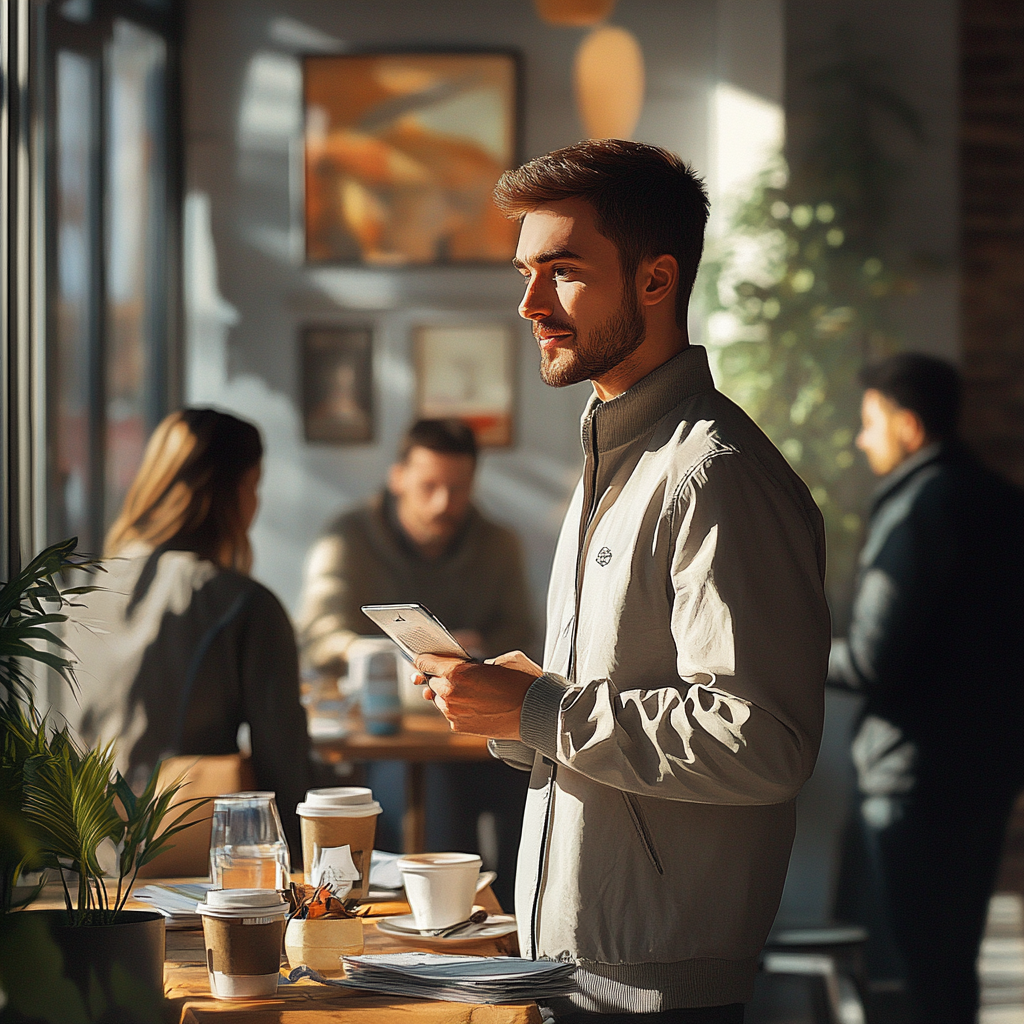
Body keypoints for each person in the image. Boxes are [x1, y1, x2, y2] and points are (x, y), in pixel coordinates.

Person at [413, 140, 831, 1023]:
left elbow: (764, 740)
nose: (530, 304)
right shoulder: (618, 458)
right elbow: (620, 696)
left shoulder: (714, 476)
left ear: (655, 280)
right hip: (575, 968)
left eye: (560, 271)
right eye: (527, 272)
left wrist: (538, 711)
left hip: (653, 988)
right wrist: (519, 703)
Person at [828, 353, 1024, 1024]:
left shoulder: (918, 510)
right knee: (948, 971)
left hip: (910, 781)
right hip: (985, 772)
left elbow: (869, 660)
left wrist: (785, 654)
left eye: (870, 422)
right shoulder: (1000, 500)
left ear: (908, 426)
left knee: (900, 974)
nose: (862, 439)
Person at [295, 417, 534, 904]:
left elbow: (523, 634)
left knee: (533, 781)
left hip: (478, 731)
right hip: (392, 735)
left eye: (458, 488)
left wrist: (482, 646)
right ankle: (438, 927)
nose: (443, 503)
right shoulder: (348, 537)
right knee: (432, 793)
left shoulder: (497, 542)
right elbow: (318, 634)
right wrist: (393, 653)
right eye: (429, 486)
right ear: (397, 476)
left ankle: (516, 926)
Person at [68, 408, 311, 859]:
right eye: (255, 486)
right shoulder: (244, 605)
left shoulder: (72, 594)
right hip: (183, 867)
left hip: (64, 867)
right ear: (238, 491)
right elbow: (286, 775)